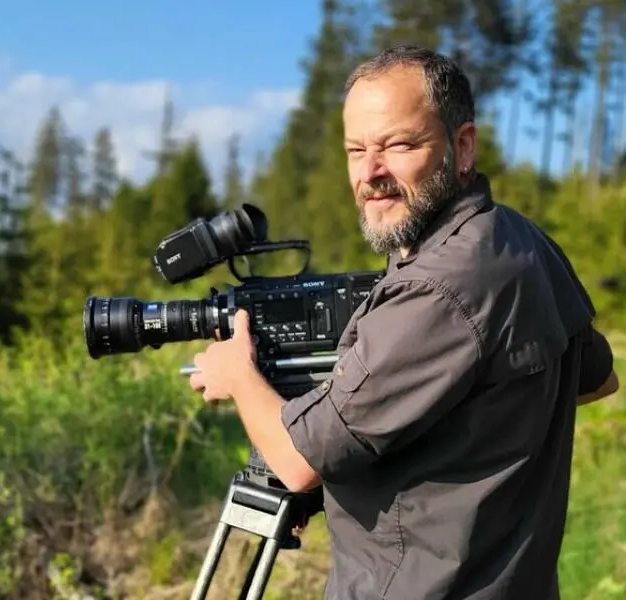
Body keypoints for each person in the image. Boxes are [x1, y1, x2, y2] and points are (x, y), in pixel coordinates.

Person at [188, 44, 619, 599]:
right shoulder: (520, 240)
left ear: (462, 147)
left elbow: (297, 462)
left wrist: (237, 374)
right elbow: (595, 380)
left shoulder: (436, 287)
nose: (372, 173)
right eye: (356, 150)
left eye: (399, 145)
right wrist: (420, 415)